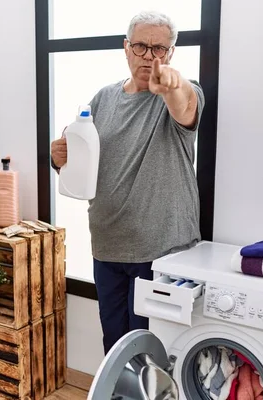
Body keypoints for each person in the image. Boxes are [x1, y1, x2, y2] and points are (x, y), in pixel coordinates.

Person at [50, 10, 204, 355]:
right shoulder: (102, 100)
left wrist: (172, 86)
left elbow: (185, 107)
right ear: (126, 48)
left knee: (151, 351)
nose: (150, 55)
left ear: (172, 52)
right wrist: (59, 160)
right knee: (116, 348)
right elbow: (82, 168)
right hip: (107, 246)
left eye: (160, 48)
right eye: (141, 46)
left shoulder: (182, 93)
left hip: (160, 250)